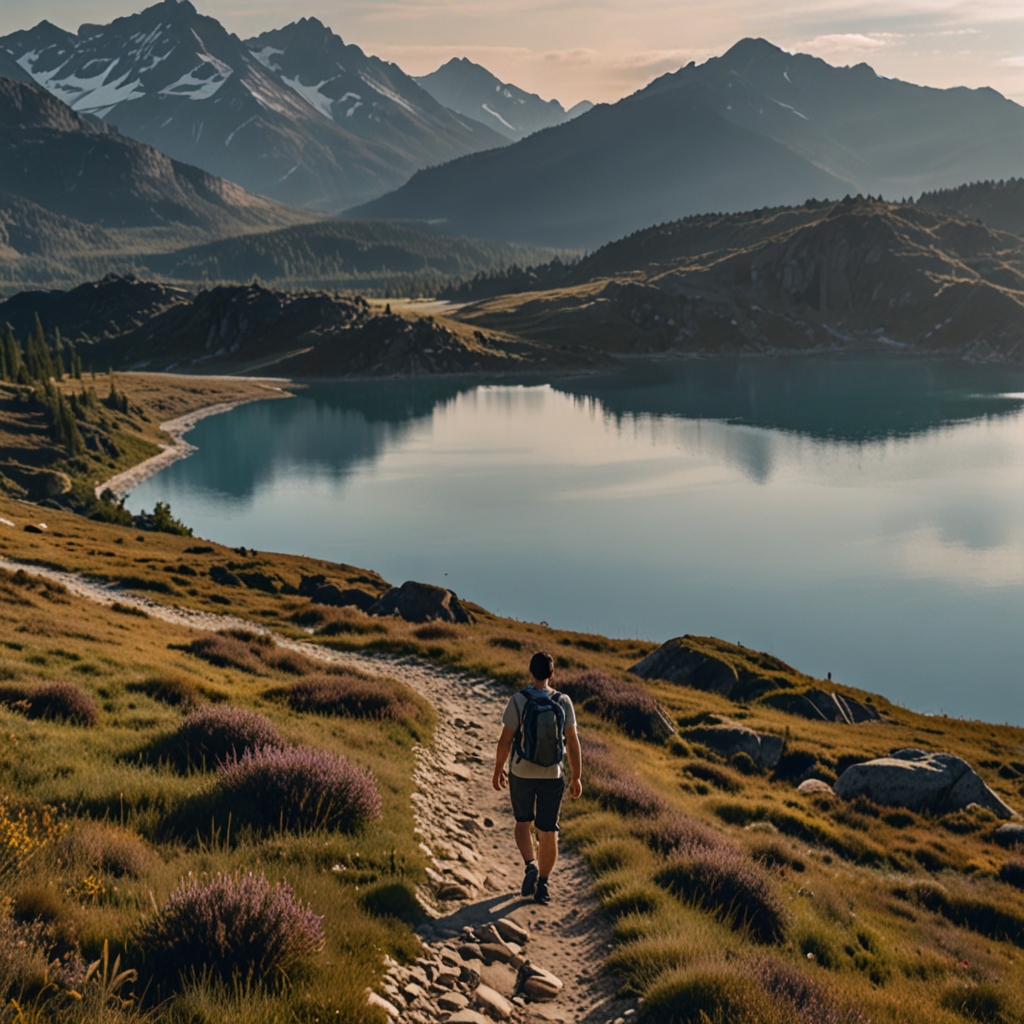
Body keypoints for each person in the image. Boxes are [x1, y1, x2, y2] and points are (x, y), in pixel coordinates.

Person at [492, 651, 583, 905]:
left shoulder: (518, 700)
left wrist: (498, 769)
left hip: (521, 772)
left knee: (523, 822)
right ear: (552, 674)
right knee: (548, 831)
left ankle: (530, 864)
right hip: (552, 775)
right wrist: (576, 777)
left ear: (530, 671)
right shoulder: (563, 702)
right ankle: (543, 884)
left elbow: (505, 740)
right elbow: (573, 743)